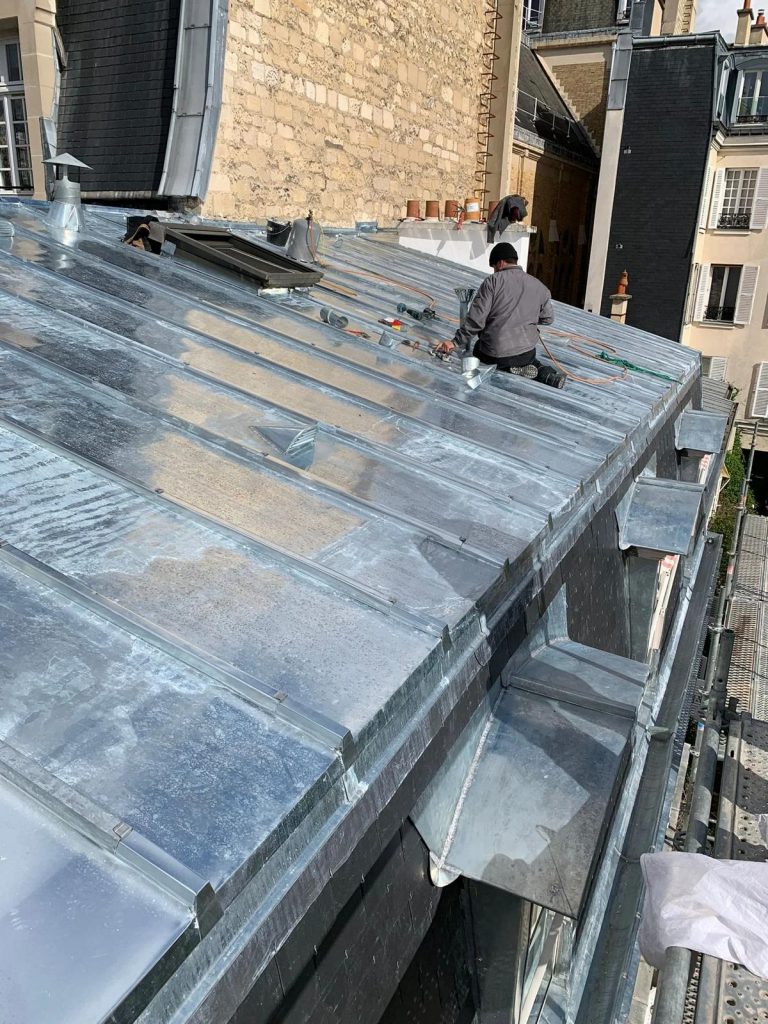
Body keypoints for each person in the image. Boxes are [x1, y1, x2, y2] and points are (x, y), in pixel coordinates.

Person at [436, 242, 554, 379]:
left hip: (494, 354)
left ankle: (509, 368)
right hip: (525, 354)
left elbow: (476, 320)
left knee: (479, 349)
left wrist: (455, 342)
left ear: (500, 263)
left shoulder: (492, 281)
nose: (494, 271)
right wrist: (526, 318)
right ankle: (545, 374)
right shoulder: (540, 287)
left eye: (494, 267)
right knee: (530, 358)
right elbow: (548, 319)